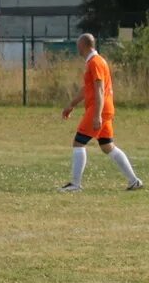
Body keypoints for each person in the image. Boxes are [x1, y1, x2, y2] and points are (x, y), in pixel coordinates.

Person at [60, 34, 143, 192]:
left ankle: (75, 185)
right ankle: (134, 181)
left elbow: (100, 89)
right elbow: (87, 89)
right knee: (107, 146)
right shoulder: (94, 62)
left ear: (84, 45)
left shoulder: (95, 62)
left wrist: (97, 114)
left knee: (78, 142)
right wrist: (71, 104)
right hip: (104, 108)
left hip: (99, 109)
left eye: (78, 45)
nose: (77, 48)